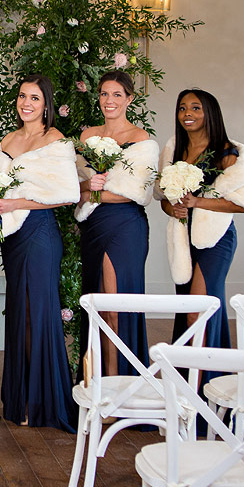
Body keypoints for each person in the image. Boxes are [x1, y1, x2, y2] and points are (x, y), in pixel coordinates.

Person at [0, 74, 79, 431]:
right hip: (13, 237)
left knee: (37, 313)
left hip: (39, 234)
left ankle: (43, 403)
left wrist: (14, 202)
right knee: (20, 313)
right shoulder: (9, 139)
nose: (27, 103)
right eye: (23, 96)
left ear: (46, 104)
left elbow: (68, 193)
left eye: (35, 98)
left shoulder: (53, 140)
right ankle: (21, 398)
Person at [74, 71, 159, 376]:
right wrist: (88, 189)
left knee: (115, 308)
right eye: (104, 94)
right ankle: (94, 381)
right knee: (96, 306)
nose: (109, 101)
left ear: (129, 99)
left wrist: (93, 191)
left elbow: (137, 193)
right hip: (92, 226)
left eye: (117, 95)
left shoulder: (141, 139)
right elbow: (75, 189)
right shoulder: (87, 138)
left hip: (125, 227)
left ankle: (116, 384)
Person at [158, 89, 244, 352]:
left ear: (209, 112)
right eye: (182, 108)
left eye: (195, 108)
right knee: (188, 307)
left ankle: (199, 386)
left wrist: (197, 203)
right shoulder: (173, 148)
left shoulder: (227, 151)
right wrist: (174, 209)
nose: (187, 113)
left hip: (216, 238)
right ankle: (191, 377)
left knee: (199, 309)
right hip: (183, 238)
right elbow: (164, 198)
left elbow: (242, 203)